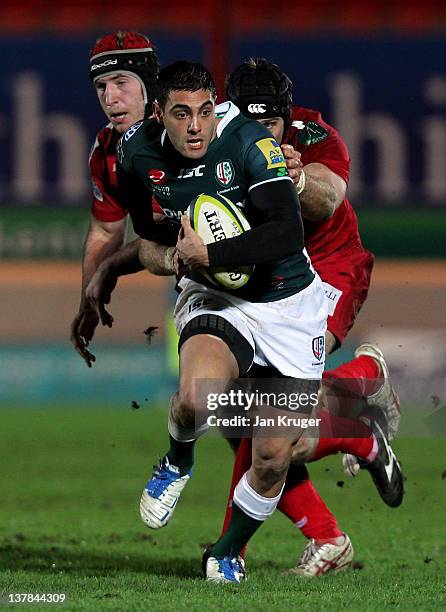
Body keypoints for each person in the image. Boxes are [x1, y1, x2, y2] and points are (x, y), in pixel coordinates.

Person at [71, 35, 358, 580]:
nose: (196, 127)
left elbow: (286, 229)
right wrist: (113, 270)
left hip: (289, 304)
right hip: (218, 298)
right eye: (182, 115)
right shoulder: (134, 156)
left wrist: (210, 250)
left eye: (205, 111)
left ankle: (227, 548)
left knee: (272, 456)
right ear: (161, 114)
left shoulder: (250, 142)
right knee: (199, 399)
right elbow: (151, 235)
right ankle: (177, 459)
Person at [207, 57, 403, 576]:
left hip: (328, 275)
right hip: (269, 285)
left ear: (287, 118)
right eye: (249, 123)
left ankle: (232, 553)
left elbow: (328, 194)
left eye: (270, 123)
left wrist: (293, 179)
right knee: (238, 417)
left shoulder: (315, 138)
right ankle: (333, 521)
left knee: (268, 423)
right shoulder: (214, 138)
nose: (261, 135)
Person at [70, 31, 159, 365]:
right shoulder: (105, 150)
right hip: (201, 283)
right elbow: (106, 232)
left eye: (121, 82)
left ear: (149, 85)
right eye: (101, 86)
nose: (110, 97)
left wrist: (110, 269)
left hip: (264, 275)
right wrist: (88, 302)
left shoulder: (194, 135)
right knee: (195, 404)